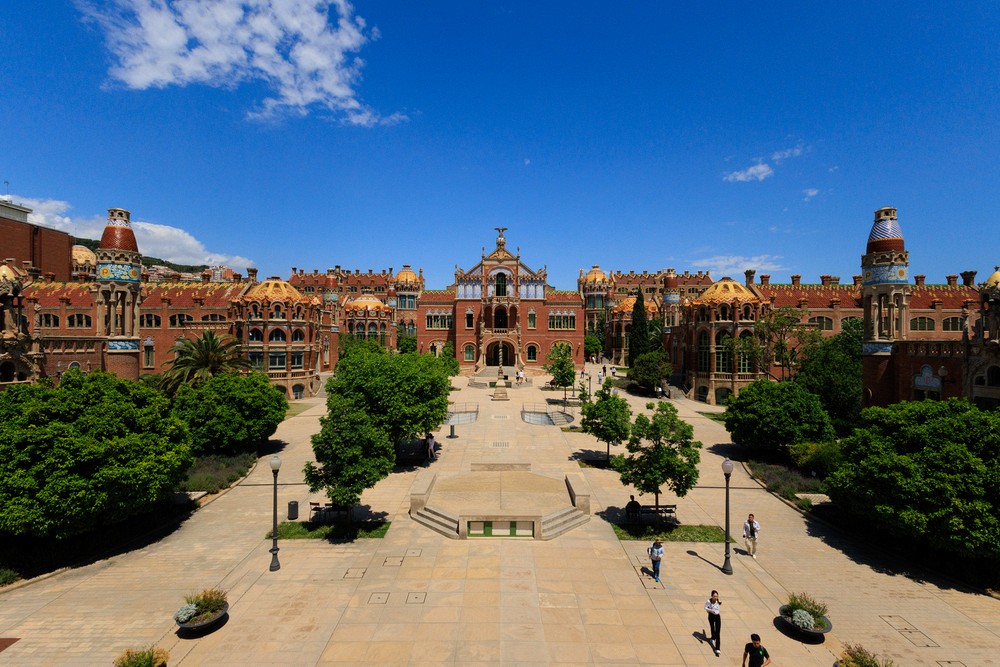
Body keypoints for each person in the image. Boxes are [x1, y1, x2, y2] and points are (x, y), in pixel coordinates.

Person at [705, 590, 722, 656]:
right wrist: (711, 610)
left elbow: (719, 604)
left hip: (717, 616)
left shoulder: (718, 601)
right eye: (714, 596)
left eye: (716, 596)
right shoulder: (708, 601)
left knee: (718, 632)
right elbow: (705, 607)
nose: (715, 597)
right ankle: (712, 638)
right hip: (711, 616)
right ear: (712, 596)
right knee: (712, 628)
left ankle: (717, 648)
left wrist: (720, 602)